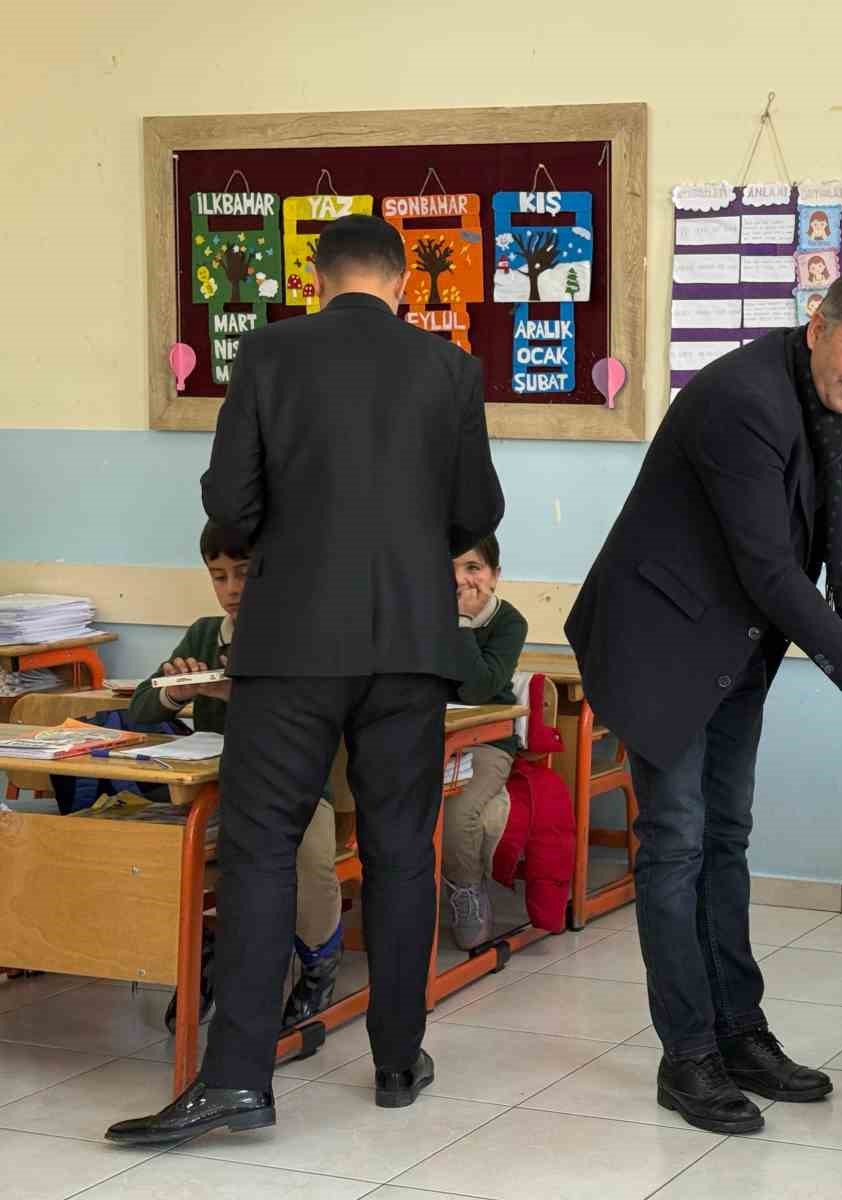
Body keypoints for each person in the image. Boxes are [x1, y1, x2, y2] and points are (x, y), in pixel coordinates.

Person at [108, 213, 503, 1145]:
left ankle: (238, 1080)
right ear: (402, 283)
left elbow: (230, 505)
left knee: (260, 849)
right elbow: (477, 509)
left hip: (289, 642)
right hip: (410, 642)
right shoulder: (450, 368)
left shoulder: (269, 355)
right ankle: (399, 1060)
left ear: (314, 280)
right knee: (402, 849)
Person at [565, 274, 842, 1136]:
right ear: (818, 327)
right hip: (660, 641)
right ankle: (688, 1055)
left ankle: (739, 1032)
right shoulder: (742, 400)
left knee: (725, 838)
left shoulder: (826, 400)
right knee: (676, 845)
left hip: (733, 644)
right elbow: (772, 566)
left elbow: (819, 520)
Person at [126, 521, 344, 1037]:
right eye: (219, 576)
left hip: (296, 790)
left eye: (244, 573)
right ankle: (201, 948)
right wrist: (175, 692)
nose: (232, 589)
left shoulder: (303, 631)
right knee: (146, 847)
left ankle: (319, 962)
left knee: (308, 857)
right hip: (214, 790)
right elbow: (139, 708)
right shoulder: (206, 634)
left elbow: (317, 717)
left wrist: (239, 697)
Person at [441, 534, 530, 949]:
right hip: (430, 738)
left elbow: (478, 688)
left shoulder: (509, 622)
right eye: (449, 569)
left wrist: (460, 622)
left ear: (495, 576)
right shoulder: (422, 616)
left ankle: (467, 890)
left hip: (486, 742)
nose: (461, 579)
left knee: (458, 811)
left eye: (473, 568)